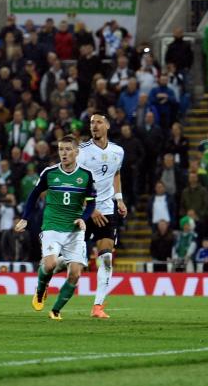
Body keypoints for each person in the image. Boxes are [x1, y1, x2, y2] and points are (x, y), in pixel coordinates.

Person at [15, 136, 96, 320]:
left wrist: (83, 218)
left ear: (76, 152)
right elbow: (33, 195)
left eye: (68, 149)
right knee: (49, 264)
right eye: (61, 149)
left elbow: (91, 203)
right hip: (52, 225)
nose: (64, 153)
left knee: (75, 274)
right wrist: (25, 218)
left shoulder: (86, 175)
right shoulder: (50, 173)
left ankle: (56, 310)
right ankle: (41, 289)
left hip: (74, 230)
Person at [76, 112, 127, 318]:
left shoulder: (118, 151)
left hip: (106, 210)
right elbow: (75, 182)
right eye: (91, 123)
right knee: (71, 262)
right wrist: (90, 208)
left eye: (98, 122)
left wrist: (120, 199)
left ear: (107, 125)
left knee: (106, 258)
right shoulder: (82, 151)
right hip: (83, 210)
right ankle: (44, 278)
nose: (94, 126)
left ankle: (98, 306)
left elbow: (116, 173)